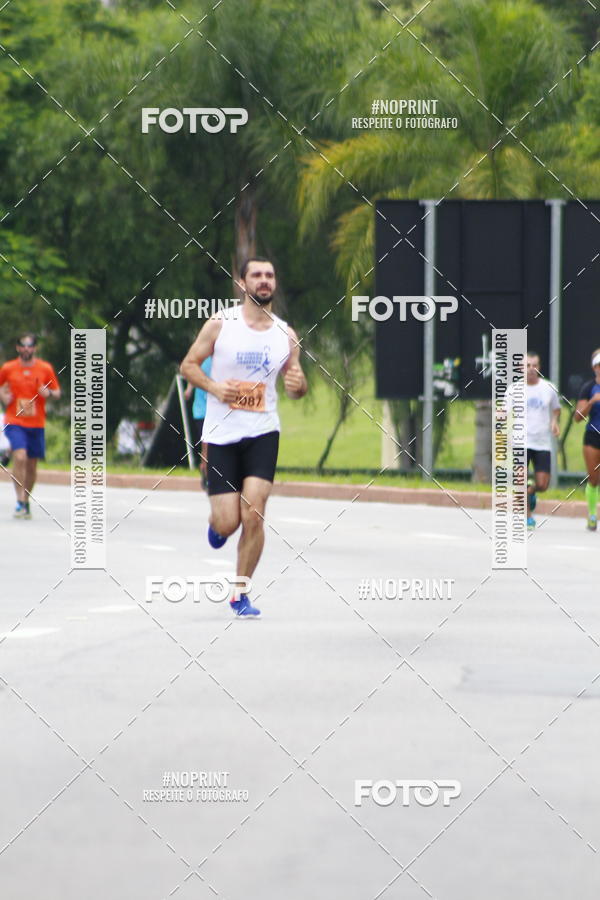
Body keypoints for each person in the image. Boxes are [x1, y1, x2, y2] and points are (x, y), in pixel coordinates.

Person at [180, 257, 307, 617]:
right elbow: (188, 365)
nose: (264, 281)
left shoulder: (286, 335)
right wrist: (214, 388)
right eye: (257, 275)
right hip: (222, 434)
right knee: (228, 521)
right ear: (242, 283)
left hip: (263, 431)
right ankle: (217, 528)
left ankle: (240, 593)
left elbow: (296, 384)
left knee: (254, 512)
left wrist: (299, 386)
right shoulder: (221, 324)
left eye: (270, 275)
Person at [0, 333, 61, 518]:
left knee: (32, 466)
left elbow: (57, 392)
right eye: (23, 346)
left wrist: (47, 393)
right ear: (17, 348)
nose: (26, 349)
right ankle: (19, 501)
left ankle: (26, 500)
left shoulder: (45, 368)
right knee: (20, 457)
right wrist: (3, 396)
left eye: (30, 346)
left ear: (35, 348)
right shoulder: (8, 368)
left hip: (36, 422)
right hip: (14, 420)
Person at [523, 352, 560, 529]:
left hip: (542, 442)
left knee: (543, 484)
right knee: (519, 480)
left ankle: (531, 493)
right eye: (528, 365)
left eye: (534, 365)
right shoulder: (514, 390)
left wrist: (554, 423)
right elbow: (503, 413)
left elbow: (556, 409)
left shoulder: (548, 388)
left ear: (539, 367)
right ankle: (528, 517)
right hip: (520, 442)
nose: (531, 369)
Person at [575, 348, 600, 531]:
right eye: (598, 365)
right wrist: (591, 402)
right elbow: (577, 417)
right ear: (594, 367)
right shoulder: (588, 388)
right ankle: (592, 514)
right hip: (593, 435)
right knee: (593, 479)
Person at [184, 356, 212, 488]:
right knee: (206, 445)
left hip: (217, 412)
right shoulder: (202, 359)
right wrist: (189, 389)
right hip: (202, 411)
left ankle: (210, 472)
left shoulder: (222, 359)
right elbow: (192, 375)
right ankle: (205, 473)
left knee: (215, 445)